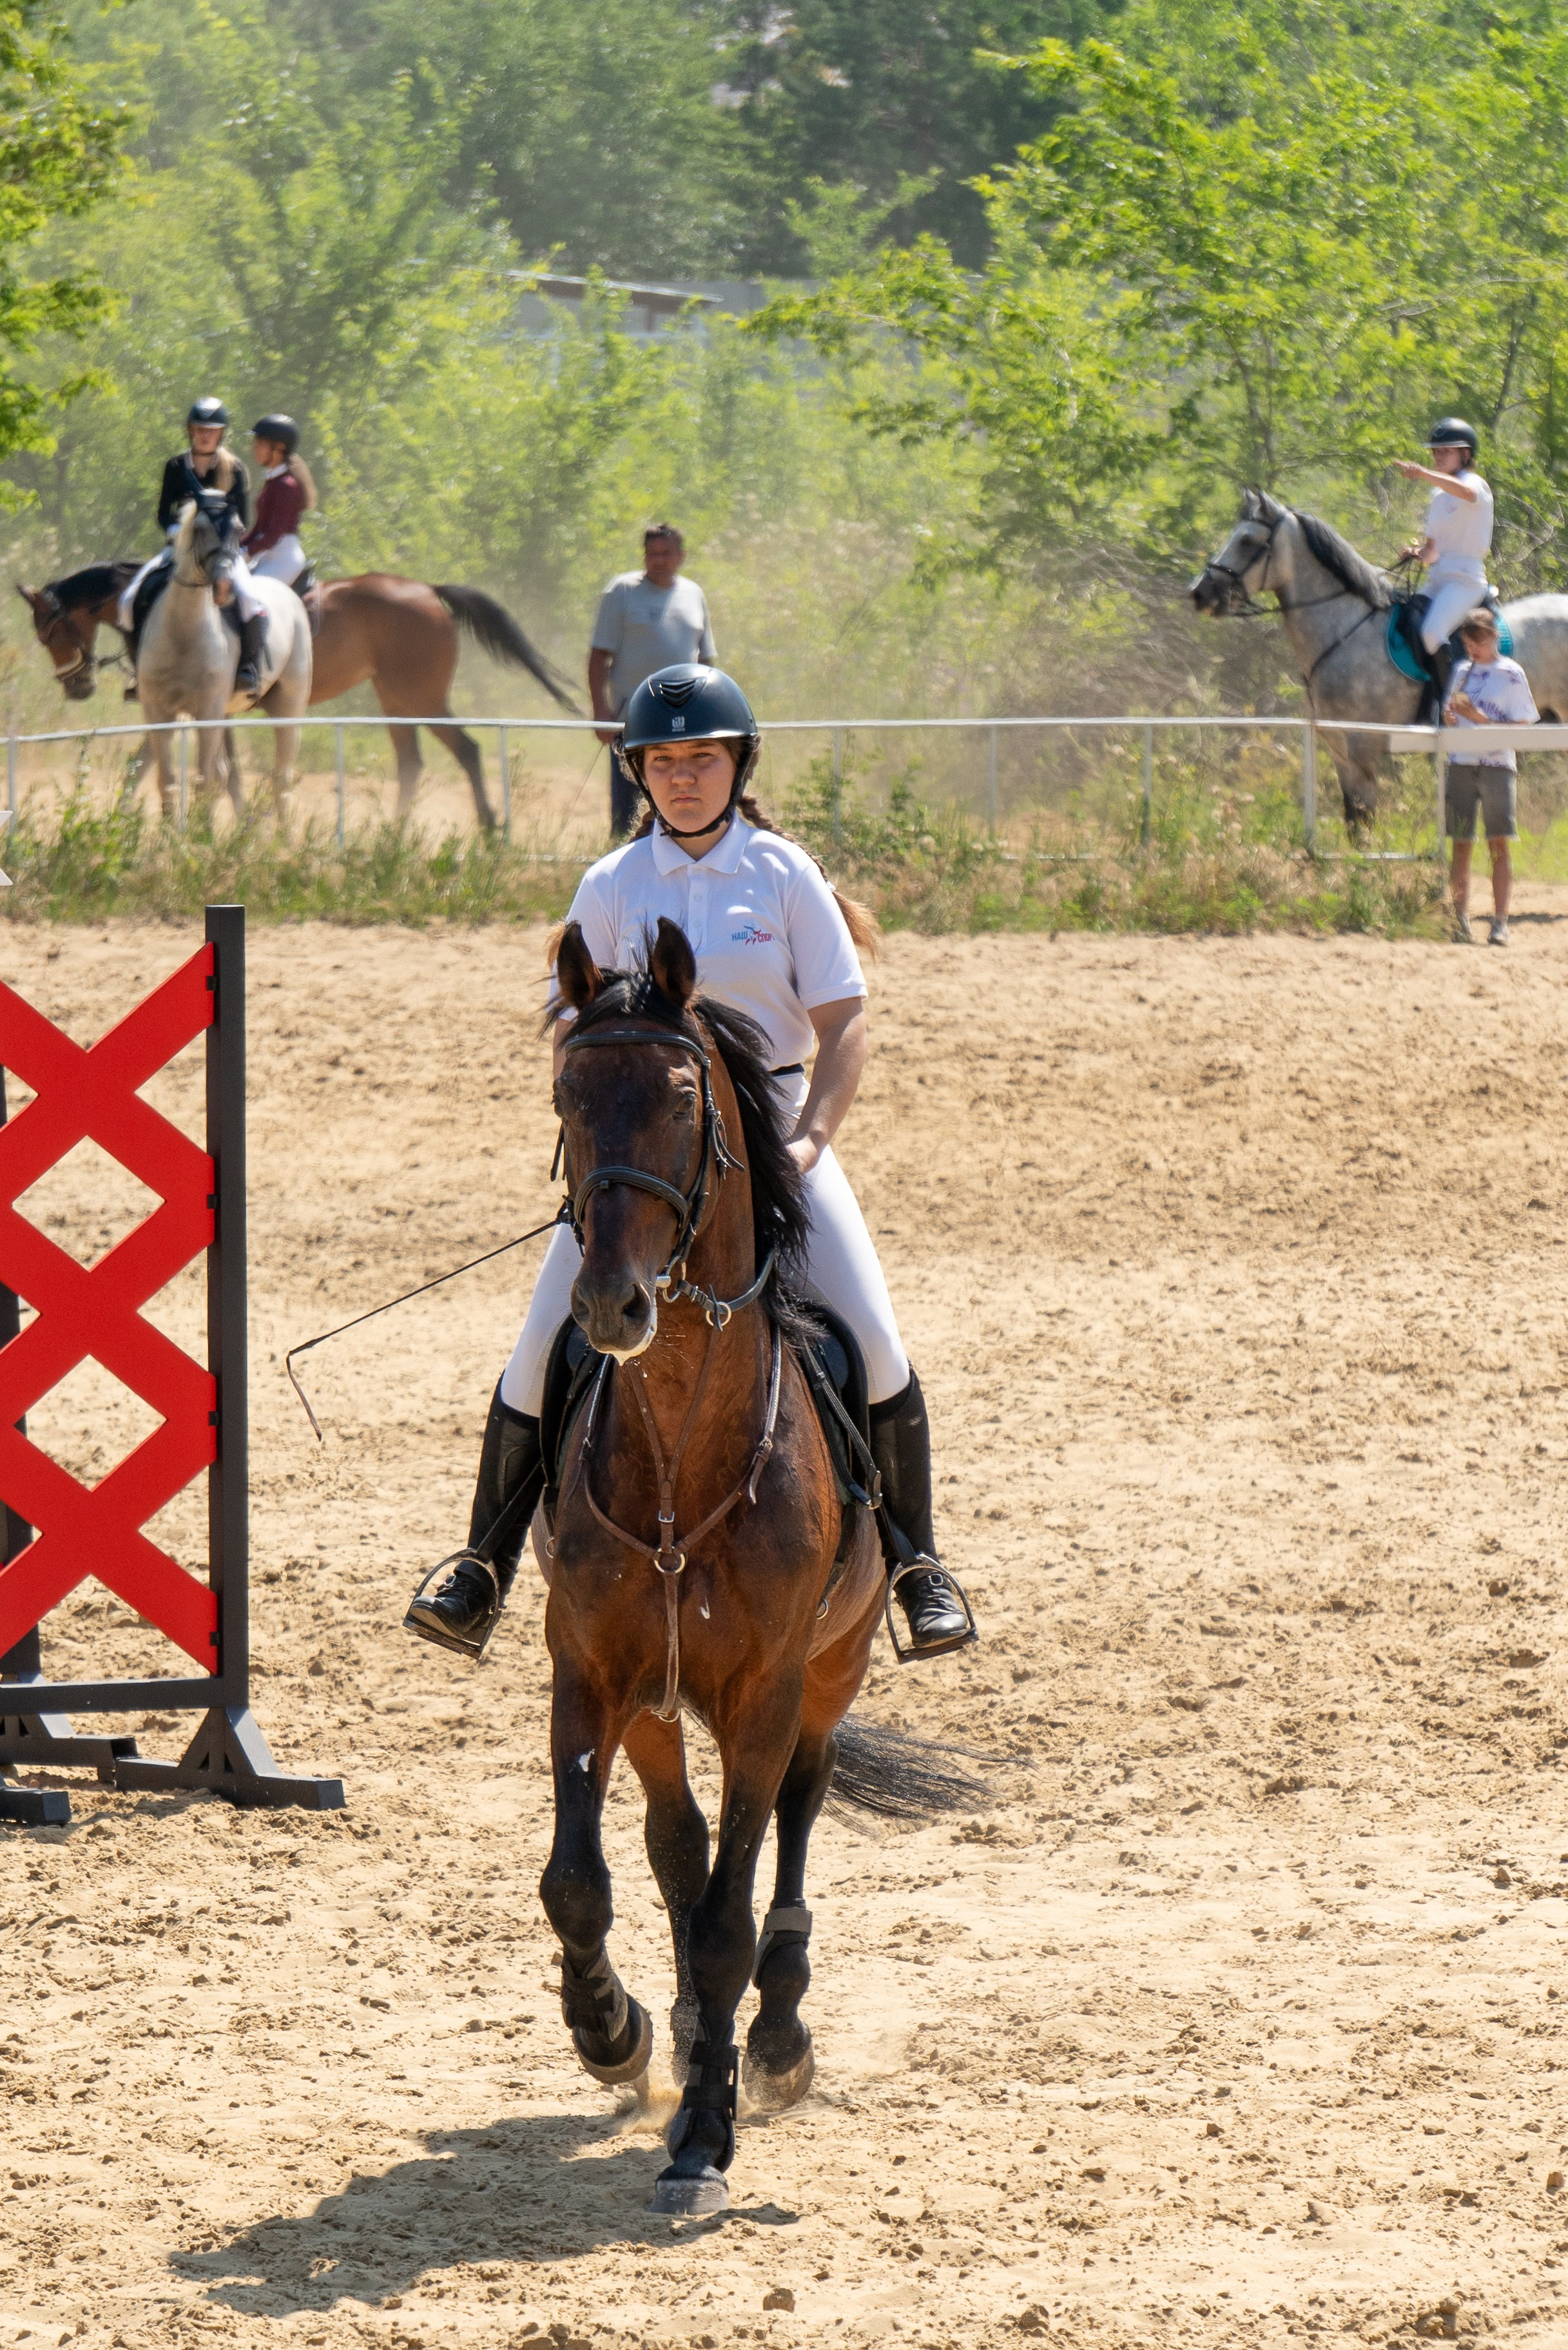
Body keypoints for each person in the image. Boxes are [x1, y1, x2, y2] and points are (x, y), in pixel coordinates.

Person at [405, 661, 976, 1667]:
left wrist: (808, 1143)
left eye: (701, 759)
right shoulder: (611, 885)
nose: (681, 778)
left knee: (875, 1339)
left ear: (737, 764)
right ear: (639, 772)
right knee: (539, 1347)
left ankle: (918, 1563)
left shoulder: (784, 875)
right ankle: (481, 1563)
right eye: (662, 762)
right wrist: (596, 1162)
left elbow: (845, 1025)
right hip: (645, 1157)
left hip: (776, 1143)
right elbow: (575, 1038)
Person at [117, 397, 270, 697]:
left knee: (251, 599)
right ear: (190, 431)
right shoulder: (175, 466)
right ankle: (141, 672)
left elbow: (243, 517)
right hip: (181, 549)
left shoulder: (235, 469)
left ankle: (248, 669)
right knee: (128, 599)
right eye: (199, 429)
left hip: (222, 551)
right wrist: (175, 529)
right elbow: (164, 512)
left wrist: (227, 549)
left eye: (211, 431)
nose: (204, 435)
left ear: (221, 434)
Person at [589, 526, 715, 837]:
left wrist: (709, 707)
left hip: (684, 718)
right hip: (631, 716)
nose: (659, 560)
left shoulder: (693, 594)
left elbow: (707, 659)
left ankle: (681, 845)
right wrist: (600, 713)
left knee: (680, 790)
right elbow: (597, 658)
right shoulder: (622, 592)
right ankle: (621, 853)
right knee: (629, 799)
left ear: (681, 556)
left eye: (666, 554)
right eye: (653, 554)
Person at [1442, 605, 1536, 947]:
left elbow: (1522, 726)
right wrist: (1452, 716)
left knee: (1499, 843)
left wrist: (1480, 718)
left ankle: (1500, 921)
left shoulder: (1511, 673)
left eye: (1478, 643)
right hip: (1462, 762)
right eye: (1469, 644)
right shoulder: (1460, 671)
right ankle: (1459, 919)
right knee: (1462, 844)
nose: (1473, 650)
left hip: (1498, 766)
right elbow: (1450, 714)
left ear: (1493, 637)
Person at [1394, 418, 1494, 701]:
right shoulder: (1438, 496)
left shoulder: (1475, 483)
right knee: (1405, 616)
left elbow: (1466, 493)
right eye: (1436, 452)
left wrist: (1423, 473)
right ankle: (1422, 696)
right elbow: (1433, 551)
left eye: (1446, 452)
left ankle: (1454, 704)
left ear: (1465, 454)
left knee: (1431, 632)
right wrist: (1416, 554)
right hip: (1438, 577)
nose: (1438, 457)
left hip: (1465, 579)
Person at [244, 413, 316, 588]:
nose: (255, 449)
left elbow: (273, 536)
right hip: (267, 556)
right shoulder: (272, 482)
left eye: (260, 444)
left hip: (284, 560)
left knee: (252, 594)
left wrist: (246, 552)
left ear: (279, 448)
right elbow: (259, 530)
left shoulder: (286, 486)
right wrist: (234, 548)